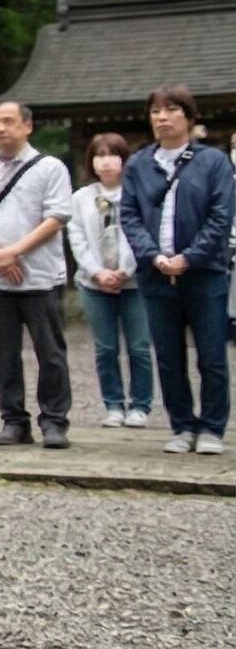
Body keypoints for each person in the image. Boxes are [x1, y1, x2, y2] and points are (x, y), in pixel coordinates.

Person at [121, 86, 233, 455]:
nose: (162, 117)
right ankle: (182, 425)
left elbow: (221, 216)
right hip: (156, 273)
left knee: (212, 353)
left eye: (171, 110)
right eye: (155, 111)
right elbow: (131, 216)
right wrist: (153, 255)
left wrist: (190, 256)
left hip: (204, 272)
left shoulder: (213, 162)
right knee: (168, 354)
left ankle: (213, 427)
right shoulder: (139, 164)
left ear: (188, 116)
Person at [0, 100, 78, 448]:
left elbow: (56, 217)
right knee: (3, 353)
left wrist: (15, 252)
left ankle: (55, 421)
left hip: (39, 275)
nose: (0, 128)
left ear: (27, 126)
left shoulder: (50, 168)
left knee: (50, 352)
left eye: (8, 121)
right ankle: (13, 420)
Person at [68, 131, 156, 428]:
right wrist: (97, 271)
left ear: (124, 159)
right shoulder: (81, 198)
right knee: (105, 348)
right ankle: (113, 404)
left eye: (112, 154)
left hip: (134, 281)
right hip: (94, 282)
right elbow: (77, 238)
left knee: (139, 346)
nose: (105, 162)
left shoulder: (138, 193)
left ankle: (141, 405)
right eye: (99, 155)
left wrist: (125, 270)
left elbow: (142, 234)